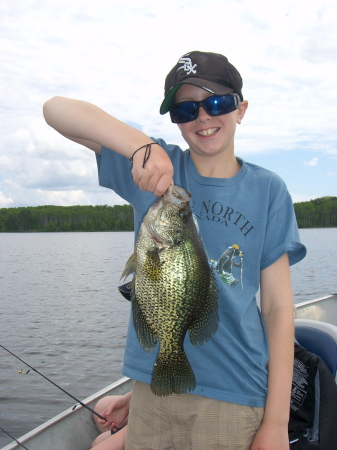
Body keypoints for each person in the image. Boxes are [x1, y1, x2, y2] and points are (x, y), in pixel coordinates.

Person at [43, 50, 306, 449]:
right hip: (153, 387)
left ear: (241, 109)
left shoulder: (268, 190)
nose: (203, 117)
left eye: (217, 102)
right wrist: (140, 146)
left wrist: (276, 423)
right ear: (175, 120)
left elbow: (277, 308)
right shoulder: (153, 171)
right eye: (186, 109)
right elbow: (55, 110)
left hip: (235, 392)